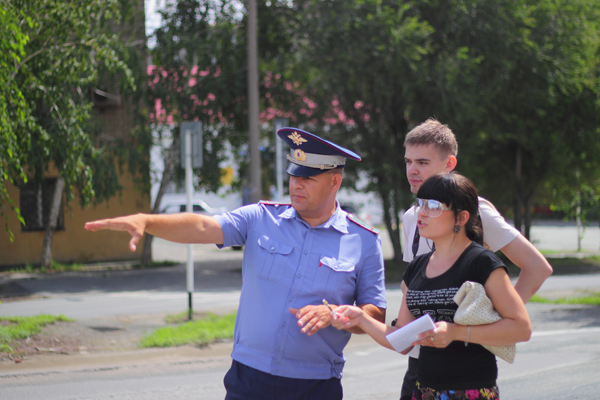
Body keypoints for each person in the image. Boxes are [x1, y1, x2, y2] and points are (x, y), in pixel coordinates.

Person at [84, 127, 387, 400]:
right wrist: (147, 221)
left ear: (335, 181)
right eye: (294, 174)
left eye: (308, 177)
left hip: (315, 385)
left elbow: (375, 312)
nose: (296, 184)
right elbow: (202, 227)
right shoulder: (261, 218)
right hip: (249, 379)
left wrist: (338, 314)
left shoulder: (364, 240)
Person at [333, 172, 532, 399]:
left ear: (461, 217)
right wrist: (360, 318)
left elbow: (521, 328)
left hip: (471, 391)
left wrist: (456, 332)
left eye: (434, 206)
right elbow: (402, 340)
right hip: (424, 390)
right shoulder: (417, 266)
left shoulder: (481, 262)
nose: (422, 212)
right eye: (421, 203)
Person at [399, 118, 553, 400]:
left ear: (450, 164)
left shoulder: (473, 209)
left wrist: (486, 323)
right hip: (421, 366)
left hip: (466, 367)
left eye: (422, 162)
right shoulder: (412, 218)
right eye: (408, 161)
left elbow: (537, 267)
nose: (412, 170)